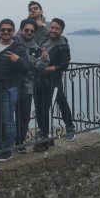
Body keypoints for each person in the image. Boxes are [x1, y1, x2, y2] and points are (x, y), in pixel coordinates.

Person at [0, 19, 31, 162]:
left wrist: (18, 60)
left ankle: (7, 149)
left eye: (9, 30)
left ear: (14, 31)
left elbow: (27, 69)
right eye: (3, 29)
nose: (6, 32)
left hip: (9, 88)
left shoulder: (19, 48)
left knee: (8, 121)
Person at [34, 18, 74, 152]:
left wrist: (48, 69)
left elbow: (64, 65)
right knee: (40, 107)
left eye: (57, 28)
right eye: (52, 27)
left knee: (48, 107)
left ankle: (66, 128)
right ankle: (43, 131)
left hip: (53, 81)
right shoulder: (44, 39)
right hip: (39, 80)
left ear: (61, 31)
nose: (53, 30)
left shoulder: (63, 44)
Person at [14, 19, 49, 152]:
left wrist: (45, 60)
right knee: (6, 117)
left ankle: (19, 142)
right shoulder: (13, 43)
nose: (29, 33)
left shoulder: (36, 49)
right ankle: (5, 143)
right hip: (9, 85)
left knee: (24, 116)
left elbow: (37, 69)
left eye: (32, 31)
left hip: (27, 86)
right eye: (26, 30)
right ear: (21, 30)